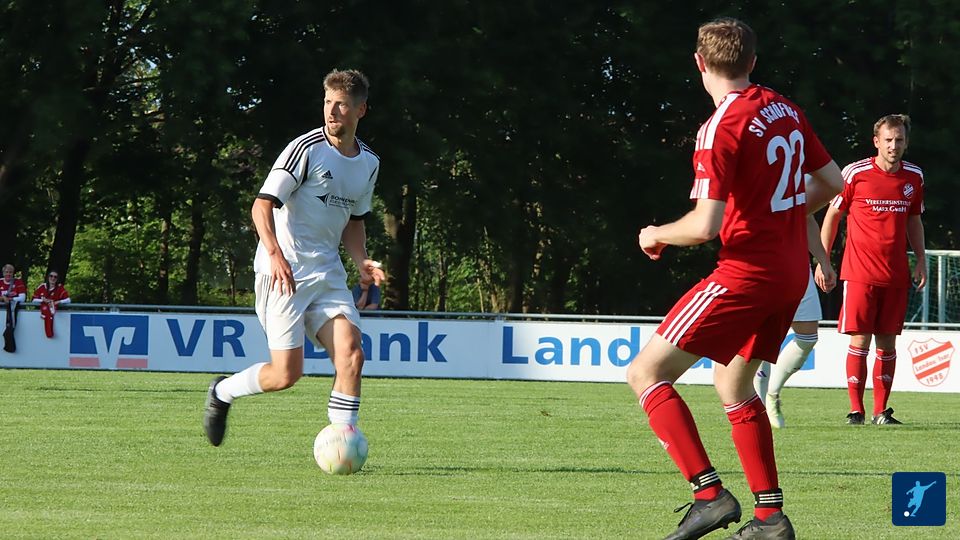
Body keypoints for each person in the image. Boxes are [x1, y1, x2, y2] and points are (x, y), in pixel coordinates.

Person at [626, 18, 843, 539]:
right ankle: (770, 519)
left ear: (700, 63)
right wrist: (779, 215)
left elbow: (705, 226)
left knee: (645, 373)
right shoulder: (785, 109)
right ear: (752, 61)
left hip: (747, 273)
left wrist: (655, 234)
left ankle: (709, 496)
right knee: (734, 383)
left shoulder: (721, 126)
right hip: (788, 274)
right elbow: (834, 182)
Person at [203, 68, 385, 447]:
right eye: (328, 102)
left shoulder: (369, 163)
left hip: (327, 274)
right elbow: (261, 206)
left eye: (341, 105)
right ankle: (223, 391)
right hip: (284, 272)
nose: (331, 111)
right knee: (285, 375)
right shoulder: (306, 149)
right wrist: (275, 255)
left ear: (361, 110)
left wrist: (362, 262)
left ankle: (343, 441)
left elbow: (354, 222)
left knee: (352, 355)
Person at [819, 114, 926, 426]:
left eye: (899, 140)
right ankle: (856, 410)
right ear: (876, 141)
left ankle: (881, 411)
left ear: (906, 142)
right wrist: (823, 260)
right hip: (859, 273)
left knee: (888, 344)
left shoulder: (914, 176)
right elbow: (832, 216)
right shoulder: (855, 173)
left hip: (895, 274)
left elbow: (914, 220)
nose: (894, 145)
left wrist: (920, 259)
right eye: (888, 140)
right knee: (860, 342)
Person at [754, 215, 838, 428]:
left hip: (797, 264)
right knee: (760, 336)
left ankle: (772, 394)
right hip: (758, 263)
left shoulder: (797, 192)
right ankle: (758, 409)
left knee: (808, 337)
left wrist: (823, 260)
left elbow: (807, 218)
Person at [32, 270, 71, 338]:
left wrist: (59, 302)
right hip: (41, 314)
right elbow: (33, 300)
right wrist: (43, 300)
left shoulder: (59, 288)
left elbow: (68, 300)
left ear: (57, 279)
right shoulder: (42, 286)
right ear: (48, 277)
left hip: (55, 314)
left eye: (55, 277)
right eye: (51, 276)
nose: (53, 278)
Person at [1, 263, 27, 353]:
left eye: (10, 272)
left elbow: (22, 298)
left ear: (13, 273)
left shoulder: (18, 282)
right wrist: (2, 298)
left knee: (9, 330)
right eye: (6, 272)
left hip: (13, 311)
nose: (8, 274)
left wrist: (10, 299)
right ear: (3, 273)